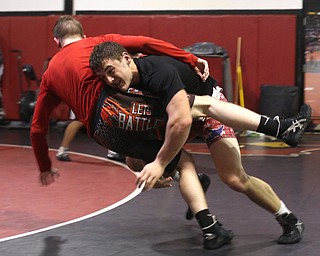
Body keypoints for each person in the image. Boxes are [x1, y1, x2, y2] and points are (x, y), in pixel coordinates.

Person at [30, 15, 234, 250]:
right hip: (121, 109)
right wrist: (190, 57)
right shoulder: (96, 43)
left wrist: (44, 165)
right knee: (183, 139)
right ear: (83, 35)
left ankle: (190, 184)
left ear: (57, 41)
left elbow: (37, 128)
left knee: (143, 160)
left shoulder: (50, 73)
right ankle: (211, 229)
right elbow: (145, 43)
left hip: (102, 132)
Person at [89, 41, 311, 245]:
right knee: (134, 159)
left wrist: (160, 164)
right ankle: (193, 180)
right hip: (175, 113)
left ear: (127, 59)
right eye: (103, 77)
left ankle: (288, 217)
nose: (110, 80)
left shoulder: (157, 72)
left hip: (205, 110)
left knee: (234, 177)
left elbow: (183, 119)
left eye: (111, 72)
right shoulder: (123, 82)